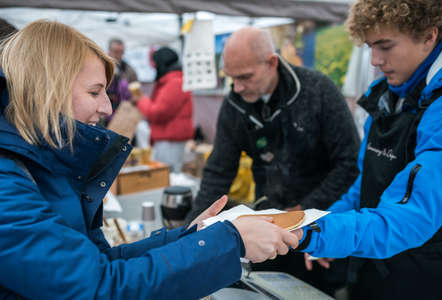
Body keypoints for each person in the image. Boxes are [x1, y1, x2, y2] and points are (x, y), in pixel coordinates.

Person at [0, 20, 302, 299]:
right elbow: (99, 288)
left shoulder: (40, 169)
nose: (107, 107)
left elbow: (99, 262)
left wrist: (192, 237)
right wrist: (227, 242)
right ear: (46, 91)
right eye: (94, 92)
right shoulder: (7, 186)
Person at [185, 26, 360, 291]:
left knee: (314, 291)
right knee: (267, 289)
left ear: (271, 63)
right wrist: (193, 231)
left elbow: (349, 162)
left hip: (320, 223)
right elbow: (218, 171)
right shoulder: (235, 104)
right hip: (267, 221)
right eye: (232, 79)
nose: (238, 87)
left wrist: (302, 210)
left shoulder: (317, 91)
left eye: (245, 77)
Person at [296, 1, 442, 299]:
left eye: (385, 46)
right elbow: (365, 185)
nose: (374, 61)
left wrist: (320, 234)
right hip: (374, 267)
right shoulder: (383, 98)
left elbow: (413, 215)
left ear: (429, 36)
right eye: (369, 47)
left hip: (427, 277)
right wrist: (322, 223)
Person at [136, 47, 194, 173]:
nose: (154, 68)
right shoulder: (173, 80)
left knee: (167, 176)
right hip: (168, 139)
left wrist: (141, 100)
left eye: (155, 64)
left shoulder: (175, 83)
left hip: (170, 142)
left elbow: (158, 113)